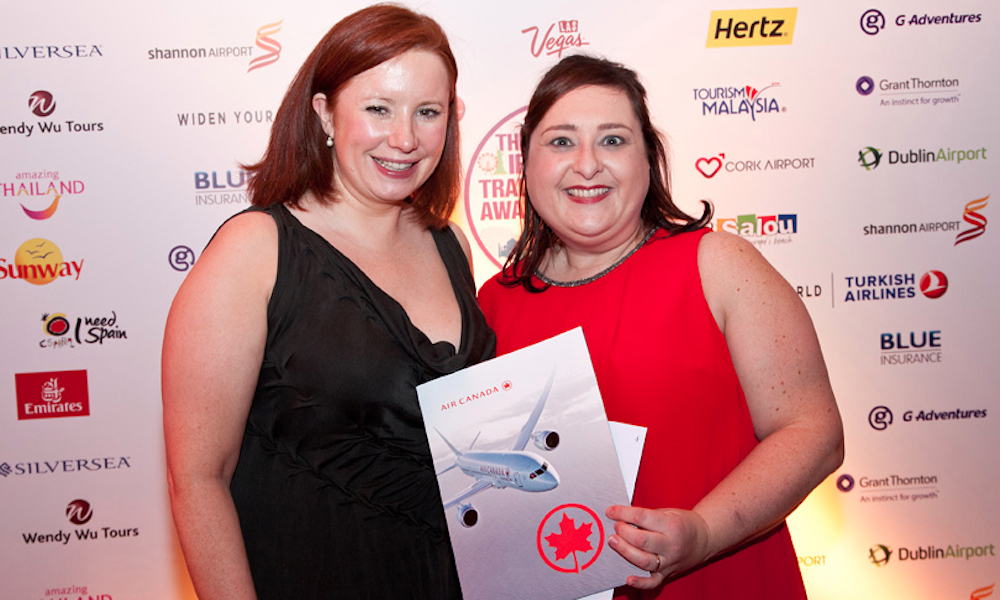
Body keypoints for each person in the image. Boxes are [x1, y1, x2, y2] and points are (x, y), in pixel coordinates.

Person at [477, 54, 844, 599]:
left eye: (613, 140)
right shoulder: (493, 302)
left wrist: (704, 532)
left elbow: (812, 432)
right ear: (526, 164)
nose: (587, 165)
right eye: (561, 142)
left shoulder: (718, 265)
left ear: (648, 159)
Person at [161, 5, 495, 599]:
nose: (405, 138)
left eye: (428, 112)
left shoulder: (451, 245)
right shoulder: (256, 250)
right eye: (378, 109)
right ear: (324, 114)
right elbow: (199, 479)